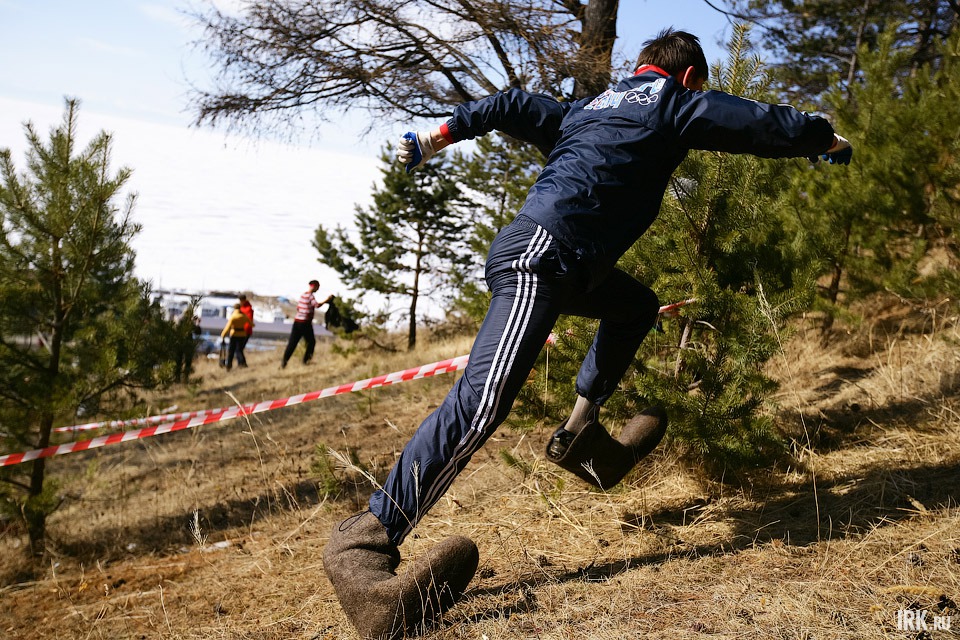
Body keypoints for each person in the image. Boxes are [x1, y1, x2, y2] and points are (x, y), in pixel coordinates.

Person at [322, 29, 853, 639]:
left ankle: (579, 428)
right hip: (543, 258)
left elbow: (510, 104)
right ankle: (365, 546)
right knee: (483, 403)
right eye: (696, 88)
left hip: (562, 262)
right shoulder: (673, 103)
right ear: (687, 79)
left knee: (635, 306)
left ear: (638, 68)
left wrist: (441, 134)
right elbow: (755, 122)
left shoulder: (585, 110)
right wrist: (822, 138)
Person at [281, 280, 332, 368]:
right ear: (314, 286)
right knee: (311, 342)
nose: (318, 289)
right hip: (305, 323)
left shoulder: (303, 295)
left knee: (292, 343)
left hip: (297, 322)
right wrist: (327, 300)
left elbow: (298, 308)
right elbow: (316, 305)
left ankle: (284, 362)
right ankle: (306, 361)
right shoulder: (310, 296)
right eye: (317, 287)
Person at [220, 303, 254, 370]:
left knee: (231, 351)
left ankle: (229, 365)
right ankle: (242, 363)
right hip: (242, 335)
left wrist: (223, 334)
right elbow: (252, 324)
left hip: (234, 335)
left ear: (234, 308)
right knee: (239, 350)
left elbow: (228, 327)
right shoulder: (244, 316)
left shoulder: (233, 316)